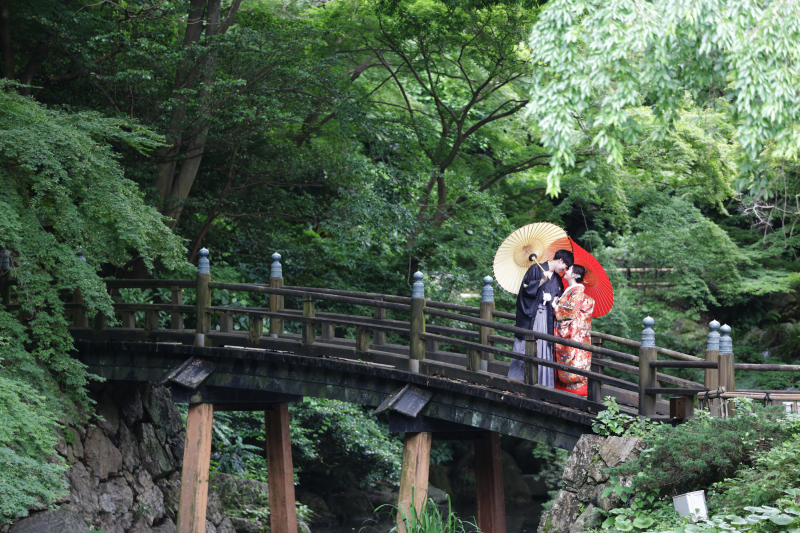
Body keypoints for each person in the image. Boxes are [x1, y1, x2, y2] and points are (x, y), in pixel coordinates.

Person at [508, 249, 574, 384]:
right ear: (560, 260)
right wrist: (542, 281)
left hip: (547, 319)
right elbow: (524, 291)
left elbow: (559, 299)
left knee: (544, 350)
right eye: (565, 267)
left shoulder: (557, 279)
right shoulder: (535, 270)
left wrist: (555, 301)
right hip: (533, 316)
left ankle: (542, 383)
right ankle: (515, 382)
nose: (564, 270)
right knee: (524, 347)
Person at [551, 264, 595, 396]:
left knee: (573, 362)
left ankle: (573, 391)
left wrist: (555, 305)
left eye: (568, 269)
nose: (565, 270)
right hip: (576, 334)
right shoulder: (572, 290)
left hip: (574, 334)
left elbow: (569, 314)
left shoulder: (576, 292)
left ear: (575, 275)